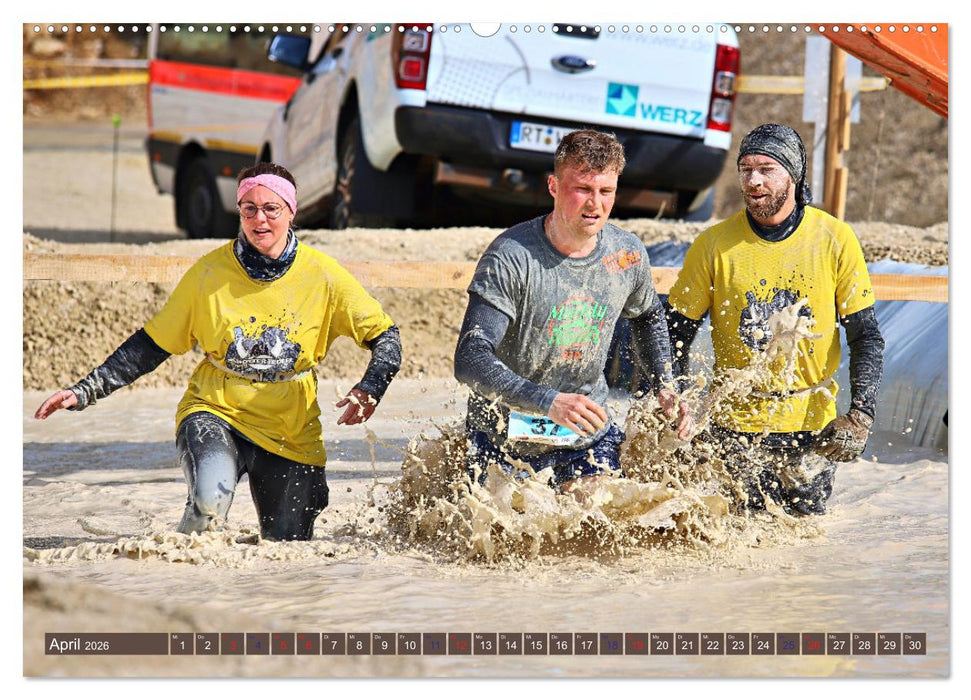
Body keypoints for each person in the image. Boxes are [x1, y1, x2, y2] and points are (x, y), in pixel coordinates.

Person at [34, 162, 401, 540]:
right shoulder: (208, 273)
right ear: (239, 212)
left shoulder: (324, 275)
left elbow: (387, 337)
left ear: (291, 212)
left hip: (291, 430)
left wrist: (370, 387)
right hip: (215, 411)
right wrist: (85, 391)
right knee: (208, 507)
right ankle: (176, 583)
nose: (260, 219)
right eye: (249, 209)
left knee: (290, 554)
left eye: (271, 208)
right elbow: (151, 345)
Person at [454, 129, 691, 494]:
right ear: (553, 186)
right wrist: (548, 401)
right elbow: (470, 357)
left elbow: (646, 316)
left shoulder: (626, 254)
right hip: (504, 435)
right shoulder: (511, 257)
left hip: (585, 434)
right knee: (506, 534)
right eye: (582, 188)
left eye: (605, 191)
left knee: (600, 523)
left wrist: (665, 386)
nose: (594, 204)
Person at [666, 123, 885, 516]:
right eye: (746, 169)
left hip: (811, 427)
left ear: (794, 175)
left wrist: (861, 414)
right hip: (731, 426)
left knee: (800, 543)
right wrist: (677, 402)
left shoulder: (835, 239)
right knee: (731, 542)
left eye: (767, 169)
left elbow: (865, 335)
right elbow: (673, 334)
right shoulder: (713, 244)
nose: (753, 181)